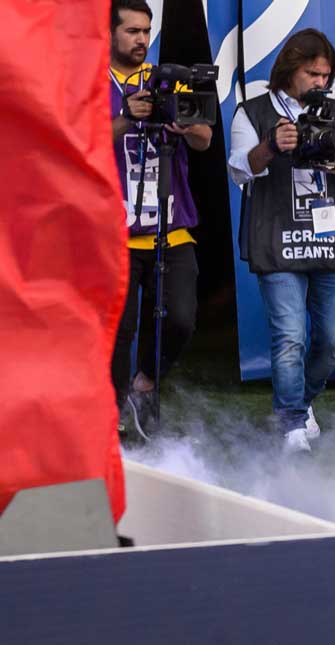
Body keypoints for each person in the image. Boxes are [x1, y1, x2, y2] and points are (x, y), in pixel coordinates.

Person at [227, 29, 335, 453]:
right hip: (277, 237)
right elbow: (239, 170)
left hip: (329, 237)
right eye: (312, 73)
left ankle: (301, 402)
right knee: (289, 336)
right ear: (290, 70)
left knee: (332, 340)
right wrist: (271, 146)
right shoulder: (251, 111)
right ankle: (291, 423)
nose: (320, 82)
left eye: (326, 75)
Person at [109, 0, 212, 439]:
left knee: (181, 319)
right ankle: (111, 415)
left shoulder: (166, 78)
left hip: (172, 225)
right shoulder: (89, 81)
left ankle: (144, 383)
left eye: (146, 31)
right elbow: (80, 142)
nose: (141, 40)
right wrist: (126, 116)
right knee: (119, 331)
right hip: (113, 230)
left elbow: (205, 139)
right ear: (109, 33)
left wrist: (185, 128)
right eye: (132, 31)